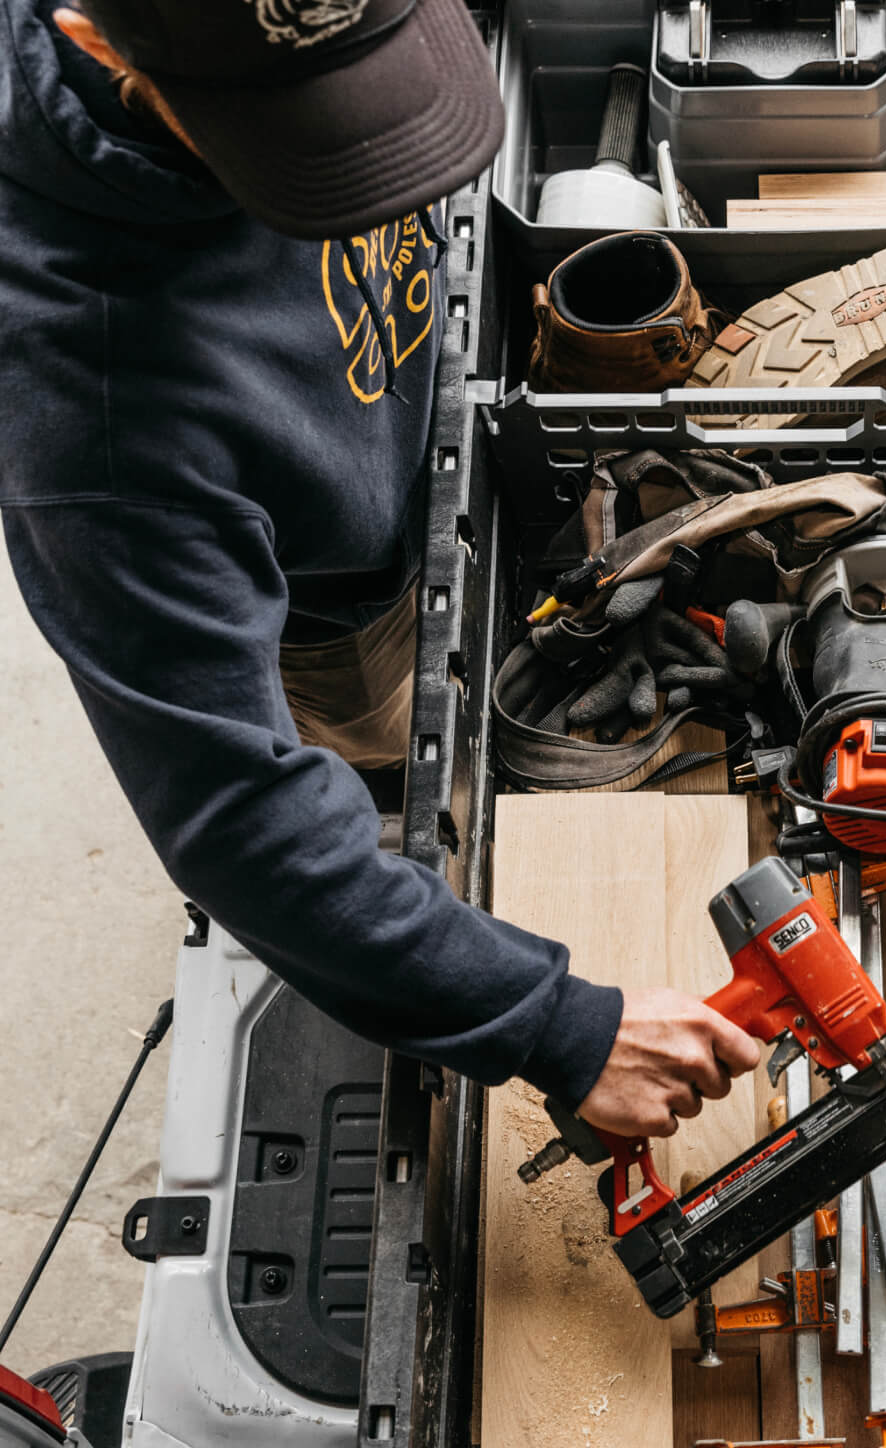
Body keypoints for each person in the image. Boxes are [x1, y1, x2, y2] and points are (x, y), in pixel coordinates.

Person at [0, 0, 759, 1140]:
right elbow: (238, 813)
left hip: (407, 417)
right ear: (97, 39)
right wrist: (550, 1019)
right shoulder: (92, 407)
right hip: (342, 613)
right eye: (301, 131)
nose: (370, 165)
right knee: (406, 778)